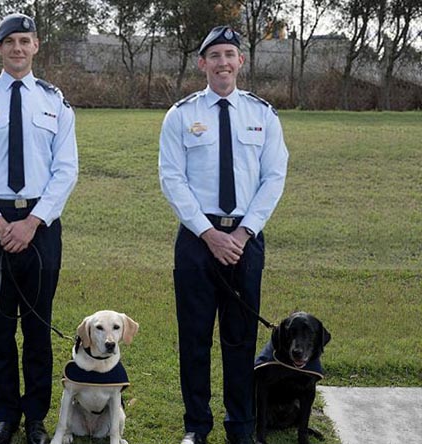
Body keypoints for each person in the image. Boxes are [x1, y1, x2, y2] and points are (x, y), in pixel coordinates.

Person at [158, 26, 289, 444]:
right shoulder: (181, 114)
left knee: (240, 337)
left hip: (246, 241)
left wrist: (246, 230)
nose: (223, 62)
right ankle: (196, 426)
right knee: (194, 339)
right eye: (214, 55)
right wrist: (208, 233)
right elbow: (171, 178)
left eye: (229, 54)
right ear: (202, 63)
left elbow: (274, 177)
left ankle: (241, 426)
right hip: (198, 241)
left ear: (241, 62)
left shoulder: (262, 114)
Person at [0, 12, 78, 444]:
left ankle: (37, 419)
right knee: (0, 325)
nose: (18, 48)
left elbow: (66, 169)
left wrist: (33, 222)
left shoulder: (54, 101)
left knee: (38, 326)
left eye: (25, 41)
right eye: (10, 42)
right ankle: (6, 417)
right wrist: (0, 222)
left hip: (41, 225)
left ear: (36, 45)